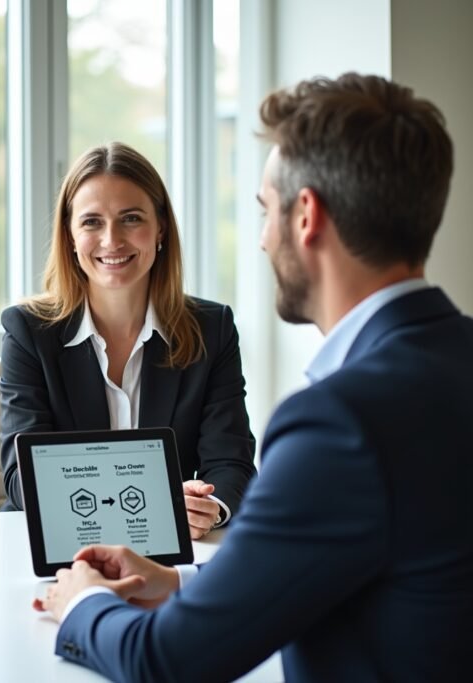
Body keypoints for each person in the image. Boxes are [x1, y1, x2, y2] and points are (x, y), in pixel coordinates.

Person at [33, 73, 473, 681]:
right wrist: (184, 579)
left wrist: (83, 602)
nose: (263, 239)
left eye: (266, 210)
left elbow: (165, 660)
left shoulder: (339, 423)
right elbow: (369, 560)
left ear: (306, 216)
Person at [0, 142, 256, 538]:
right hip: (60, 545)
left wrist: (208, 508)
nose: (112, 240)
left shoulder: (211, 328)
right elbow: (23, 477)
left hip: (172, 546)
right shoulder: (28, 331)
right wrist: (153, 503)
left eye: (131, 218)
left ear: (161, 228)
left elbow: (230, 462)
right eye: (91, 222)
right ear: (69, 236)